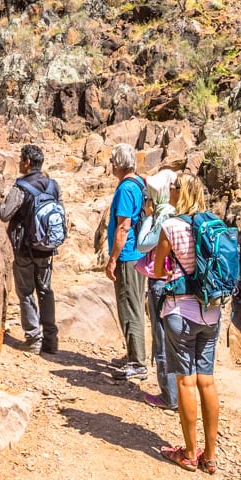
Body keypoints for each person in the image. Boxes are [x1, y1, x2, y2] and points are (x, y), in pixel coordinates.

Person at [153, 173, 221, 473]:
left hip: (180, 312)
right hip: (211, 312)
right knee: (207, 380)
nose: (171, 190)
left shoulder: (171, 226)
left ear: (182, 193)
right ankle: (211, 455)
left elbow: (157, 270)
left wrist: (170, 272)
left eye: (174, 187)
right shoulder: (214, 225)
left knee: (185, 380)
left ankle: (190, 453)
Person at [0, 143, 62, 354]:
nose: (19, 162)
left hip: (24, 248)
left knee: (26, 292)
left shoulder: (20, 187)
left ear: (27, 162)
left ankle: (33, 338)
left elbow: (5, 214)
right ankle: (51, 340)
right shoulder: (53, 185)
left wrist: (1, 201)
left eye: (20, 159)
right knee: (45, 290)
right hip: (47, 248)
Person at [136, 168, 179, 411]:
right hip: (175, 281)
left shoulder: (163, 215)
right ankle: (177, 392)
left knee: (161, 337)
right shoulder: (179, 213)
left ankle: (168, 395)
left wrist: (149, 217)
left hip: (160, 281)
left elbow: (144, 245)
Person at [105, 142, 147, 380]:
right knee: (134, 304)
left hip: (128, 256)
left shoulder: (125, 189)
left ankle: (138, 363)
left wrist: (112, 259)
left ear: (120, 164)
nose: (111, 165)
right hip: (138, 254)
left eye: (112, 161)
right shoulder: (139, 183)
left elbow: (123, 227)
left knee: (129, 307)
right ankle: (134, 353)